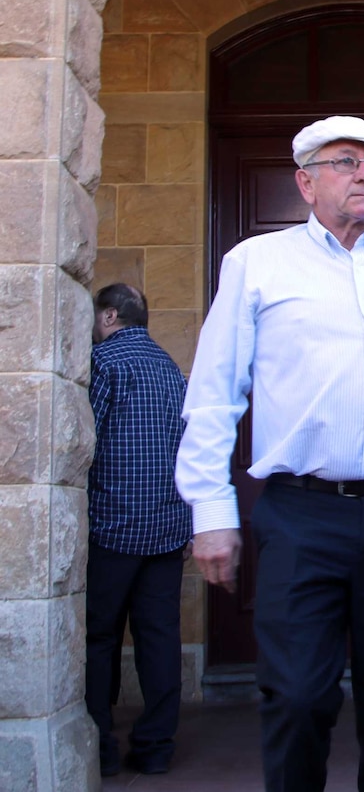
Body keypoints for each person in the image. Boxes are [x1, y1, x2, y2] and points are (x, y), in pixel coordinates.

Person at [174, 116, 364, 792]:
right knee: (298, 699)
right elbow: (215, 393)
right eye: (347, 161)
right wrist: (211, 513)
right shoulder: (257, 263)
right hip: (301, 517)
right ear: (305, 182)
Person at [85, 283, 191, 777]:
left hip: (113, 526)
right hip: (167, 527)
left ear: (109, 316)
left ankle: (99, 747)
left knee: (99, 637)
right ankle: (155, 748)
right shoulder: (172, 370)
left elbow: (82, 445)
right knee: (160, 637)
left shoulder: (103, 364)